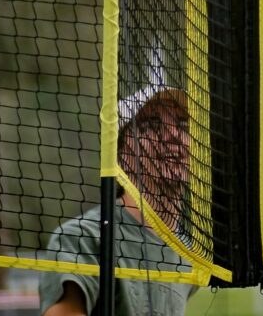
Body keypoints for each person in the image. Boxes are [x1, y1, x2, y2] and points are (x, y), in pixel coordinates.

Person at [40, 85, 196, 316]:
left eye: (183, 125)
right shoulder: (82, 238)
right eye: (152, 125)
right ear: (121, 154)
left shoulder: (190, 253)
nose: (173, 135)